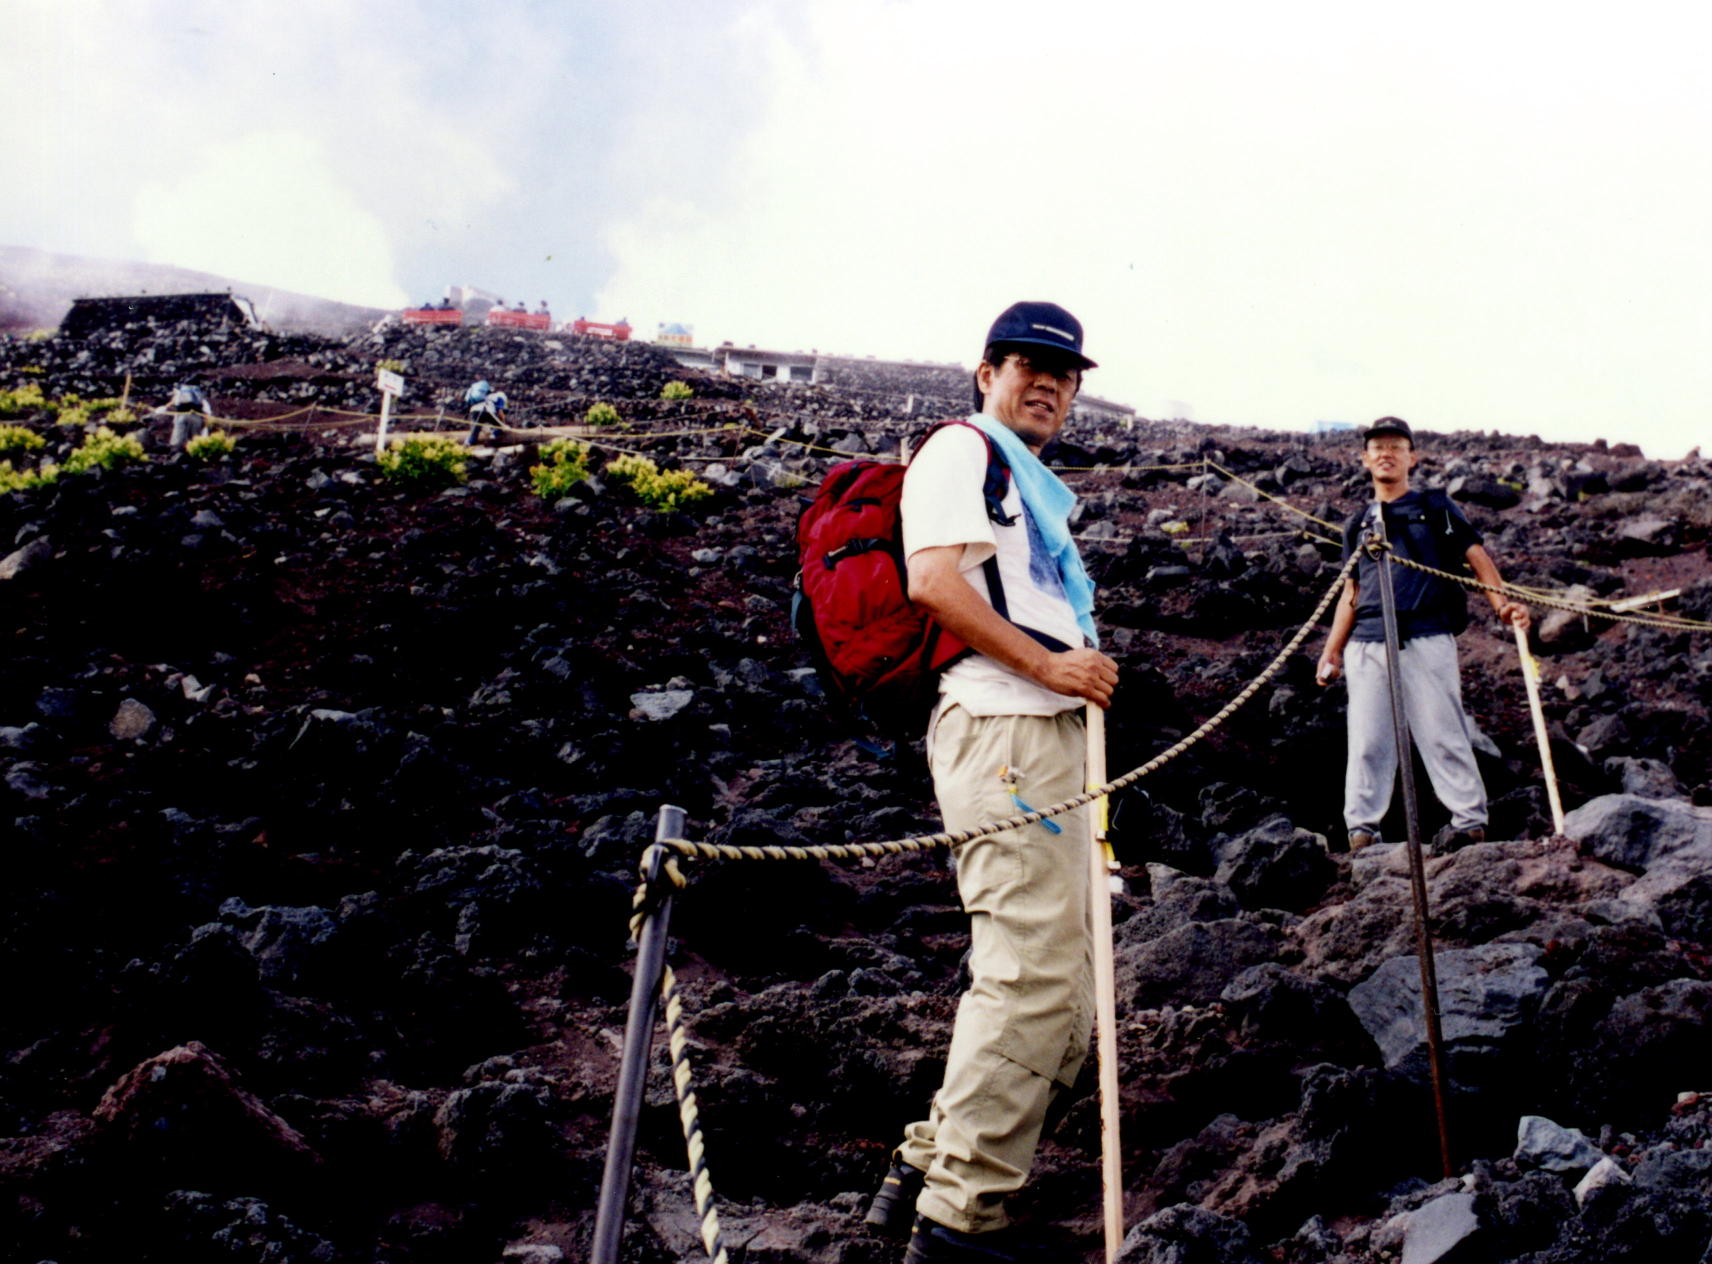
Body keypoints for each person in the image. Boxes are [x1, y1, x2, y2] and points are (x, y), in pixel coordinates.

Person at [865, 302, 1119, 1263]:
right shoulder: (960, 452)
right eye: (1028, 364)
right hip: (1006, 732)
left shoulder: (1022, 478)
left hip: (1043, 739)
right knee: (1034, 978)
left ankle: (923, 1170)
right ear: (986, 372)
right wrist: (1050, 666)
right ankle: (957, 1222)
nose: (1050, 382)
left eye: (1067, 372)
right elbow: (933, 579)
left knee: (1059, 984)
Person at [1315, 417, 1530, 851]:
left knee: (1441, 729)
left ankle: (1469, 822)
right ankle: (1362, 831)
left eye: (1396, 446)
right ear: (1364, 459)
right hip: (1368, 641)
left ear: (1412, 457)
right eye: (1377, 447)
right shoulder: (1358, 523)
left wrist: (1501, 606)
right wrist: (1331, 652)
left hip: (1427, 635)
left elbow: (1477, 558)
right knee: (1368, 737)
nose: (1385, 453)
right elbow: (1350, 592)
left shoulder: (1436, 508)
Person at [165, 382, 211, 450]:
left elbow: (169, 405)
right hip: (196, 418)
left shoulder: (179, 395)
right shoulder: (199, 398)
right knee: (195, 440)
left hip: (181, 417)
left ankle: (178, 452)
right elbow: (207, 412)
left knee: (178, 441)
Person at [463, 380, 508, 446]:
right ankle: (493, 435)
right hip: (487, 411)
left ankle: (468, 443)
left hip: (474, 411)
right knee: (499, 428)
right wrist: (504, 424)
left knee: (475, 431)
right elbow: (500, 413)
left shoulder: (485, 396)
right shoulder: (499, 398)